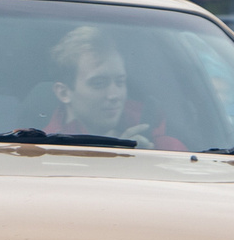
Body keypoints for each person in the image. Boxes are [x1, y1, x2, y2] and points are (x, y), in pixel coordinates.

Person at [45, 23, 182, 148]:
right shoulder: (42, 150)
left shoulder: (163, 146)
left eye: (120, 82)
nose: (114, 95)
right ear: (64, 93)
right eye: (99, 83)